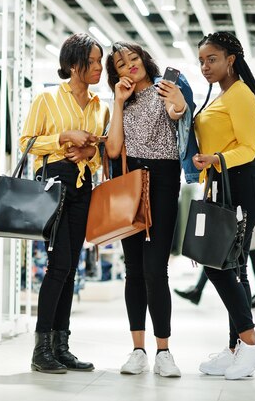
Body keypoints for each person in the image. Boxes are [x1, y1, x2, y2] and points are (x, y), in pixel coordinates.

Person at [20, 33, 108, 374]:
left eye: (100, 61)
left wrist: (90, 152)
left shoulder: (100, 106)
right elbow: (27, 142)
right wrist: (63, 137)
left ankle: (61, 345)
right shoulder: (47, 99)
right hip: (54, 184)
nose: (99, 68)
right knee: (58, 267)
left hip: (83, 186)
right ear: (74, 65)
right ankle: (40, 349)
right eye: (94, 62)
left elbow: (98, 155)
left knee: (71, 267)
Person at [192, 31, 255, 380]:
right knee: (232, 266)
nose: (205, 67)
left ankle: (252, 343)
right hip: (227, 186)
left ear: (231, 59)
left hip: (244, 185)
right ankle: (235, 350)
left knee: (217, 264)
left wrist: (215, 158)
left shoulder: (240, 94)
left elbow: (248, 148)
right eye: (201, 61)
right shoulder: (223, 95)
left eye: (212, 59)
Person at [105, 41, 189, 377]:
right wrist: (118, 101)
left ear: (144, 60)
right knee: (134, 270)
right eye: (121, 64)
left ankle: (164, 350)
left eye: (134, 59)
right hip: (129, 185)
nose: (130, 66)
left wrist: (178, 101)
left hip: (164, 184)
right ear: (116, 73)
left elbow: (177, 113)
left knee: (157, 270)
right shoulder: (124, 101)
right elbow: (112, 150)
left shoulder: (163, 90)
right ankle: (138, 349)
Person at [175, 228, 255, 308]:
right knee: (241, 258)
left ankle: (197, 290)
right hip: (242, 213)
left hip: (242, 213)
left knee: (237, 261)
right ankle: (197, 290)